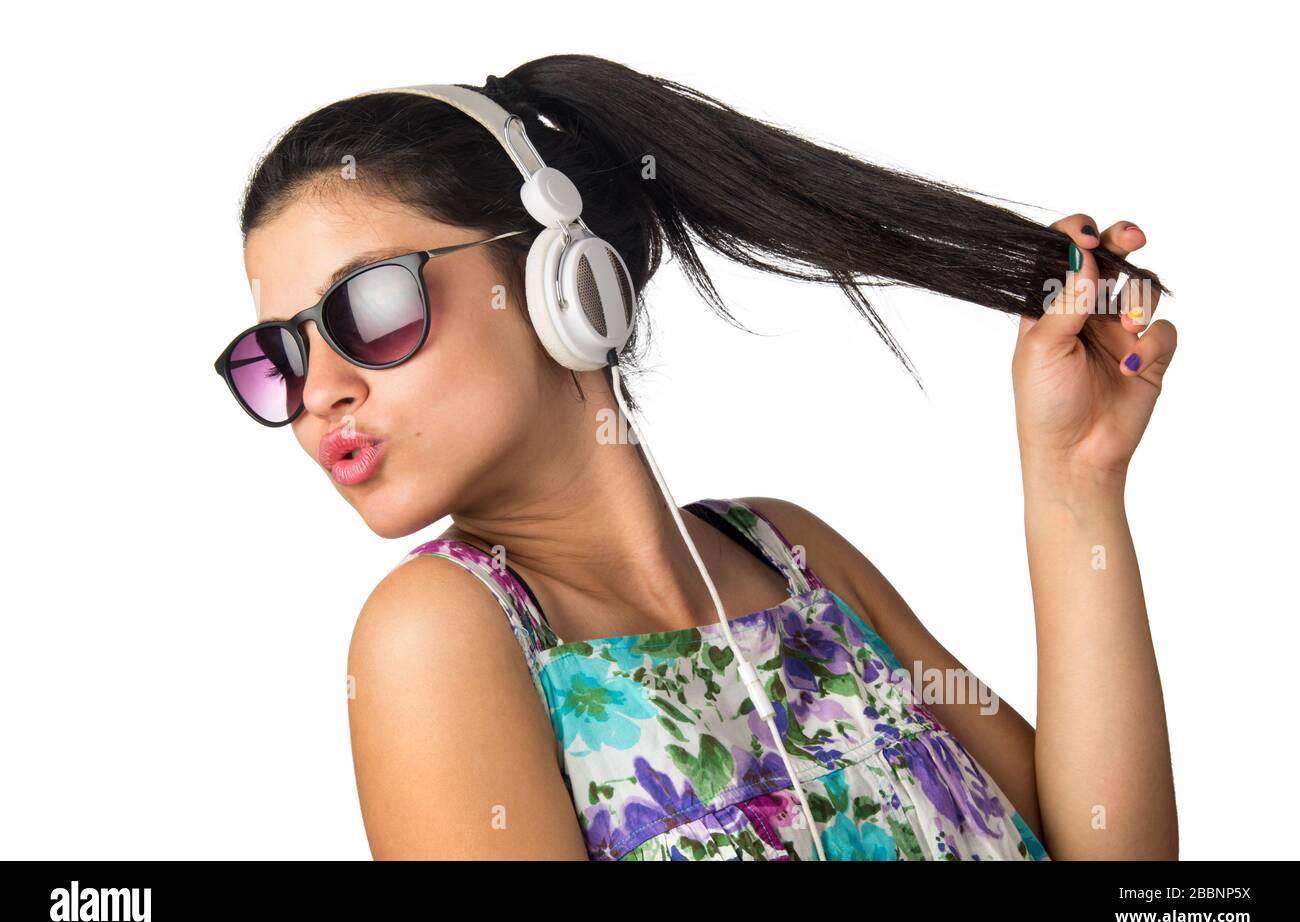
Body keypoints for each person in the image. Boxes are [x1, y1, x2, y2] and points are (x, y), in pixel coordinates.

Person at [215, 54, 1179, 860]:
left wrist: (1077, 482)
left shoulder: (790, 554)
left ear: (564, 274)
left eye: (370, 307)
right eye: (279, 357)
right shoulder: (439, 634)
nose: (319, 391)